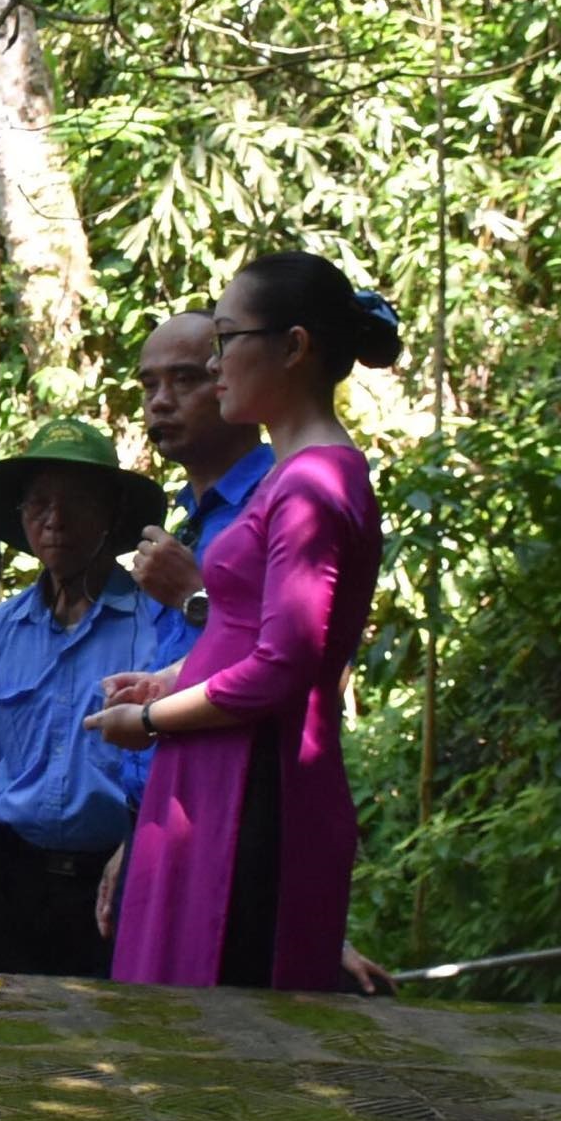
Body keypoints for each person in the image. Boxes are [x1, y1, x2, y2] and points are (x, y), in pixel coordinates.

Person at [92, 253, 394, 991]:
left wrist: (152, 719)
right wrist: (170, 676)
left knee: (226, 1016)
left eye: (226, 339)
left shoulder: (312, 484)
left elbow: (283, 664)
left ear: (293, 348)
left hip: (254, 781)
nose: (214, 361)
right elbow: (246, 626)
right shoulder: (294, 475)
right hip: (221, 769)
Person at [0, 422, 189, 978]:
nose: (55, 520)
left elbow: (175, 759)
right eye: (39, 503)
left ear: (112, 512)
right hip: (11, 881)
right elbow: (3, 752)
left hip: (114, 879)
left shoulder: (154, 621)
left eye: (76, 502)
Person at [125, 308, 272, 625]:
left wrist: (194, 596)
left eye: (184, 380)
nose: (159, 401)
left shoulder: (285, 496)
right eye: (149, 385)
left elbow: (308, 644)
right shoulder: (189, 516)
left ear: (233, 381)